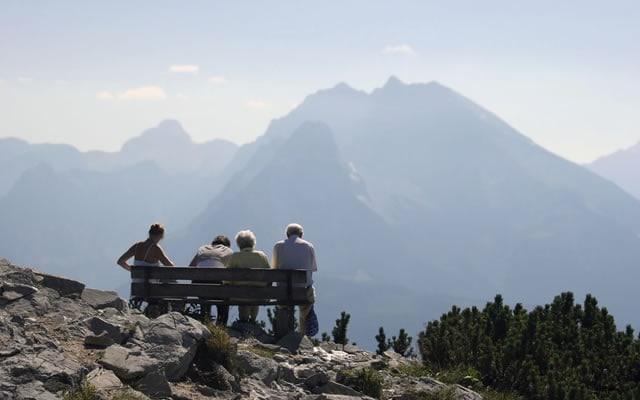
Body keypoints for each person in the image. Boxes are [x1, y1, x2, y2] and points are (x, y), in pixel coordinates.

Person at [272, 223, 318, 335]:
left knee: (283, 305)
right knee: (306, 307)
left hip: (282, 292)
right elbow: (313, 268)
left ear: (287, 234)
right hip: (302, 292)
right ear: (301, 234)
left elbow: (273, 268)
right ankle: (303, 335)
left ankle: (283, 333)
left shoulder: (278, 246)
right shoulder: (309, 246)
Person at [227, 230, 271, 323]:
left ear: (239, 244)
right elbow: (270, 276)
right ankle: (253, 320)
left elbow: (227, 278)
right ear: (253, 243)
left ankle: (244, 321)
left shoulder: (235, 256)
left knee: (242, 294)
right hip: (260, 295)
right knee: (255, 291)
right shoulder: (261, 256)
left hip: (239, 295)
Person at [189, 235, 233, 325]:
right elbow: (231, 273)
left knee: (205, 293)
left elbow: (190, 268)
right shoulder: (228, 251)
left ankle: (205, 323)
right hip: (217, 290)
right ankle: (221, 327)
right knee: (224, 295)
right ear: (227, 245)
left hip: (200, 289)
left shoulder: (202, 249)